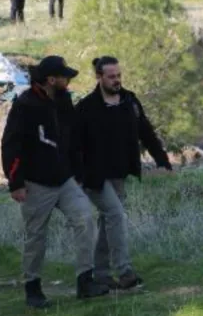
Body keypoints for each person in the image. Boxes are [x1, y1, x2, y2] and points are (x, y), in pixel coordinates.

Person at [1, 56, 110, 309]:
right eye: (65, 76)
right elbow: (11, 144)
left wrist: (79, 173)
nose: (68, 80)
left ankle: (85, 282)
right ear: (51, 79)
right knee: (36, 236)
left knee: (85, 218)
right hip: (35, 183)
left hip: (65, 180)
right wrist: (15, 182)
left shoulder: (64, 100)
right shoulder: (24, 105)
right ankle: (33, 288)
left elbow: (72, 139)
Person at [76, 56, 173, 290]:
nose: (116, 80)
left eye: (119, 75)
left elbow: (146, 131)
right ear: (99, 77)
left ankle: (100, 273)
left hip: (119, 172)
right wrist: (77, 174)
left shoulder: (129, 101)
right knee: (116, 215)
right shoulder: (86, 107)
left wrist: (162, 159)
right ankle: (124, 271)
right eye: (111, 76)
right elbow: (73, 144)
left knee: (109, 219)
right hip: (93, 176)